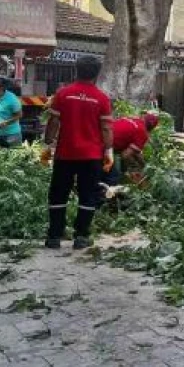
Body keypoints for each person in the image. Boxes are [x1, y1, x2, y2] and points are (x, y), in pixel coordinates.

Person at [40, 56, 113, 250]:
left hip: (65, 154)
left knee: (58, 193)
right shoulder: (102, 98)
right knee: (88, 194)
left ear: (75, 70)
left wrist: (47, 144)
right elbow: (106, 128)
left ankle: (54, 236)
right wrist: (109, 150)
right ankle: (81, 236)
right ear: (97, 74)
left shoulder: (63, 94)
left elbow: (53, 122)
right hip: (91, 157)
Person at [104, 112, 159, 193]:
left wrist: (144, 165)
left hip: (99, 137)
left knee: (109, 171)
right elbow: (125, 155)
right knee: (113, 177)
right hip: (104, 147)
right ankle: (106, 199)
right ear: (151, 129)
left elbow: (135, 152)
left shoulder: (134, 119)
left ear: (143, 118)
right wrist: (135, 166)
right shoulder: (143, 133)